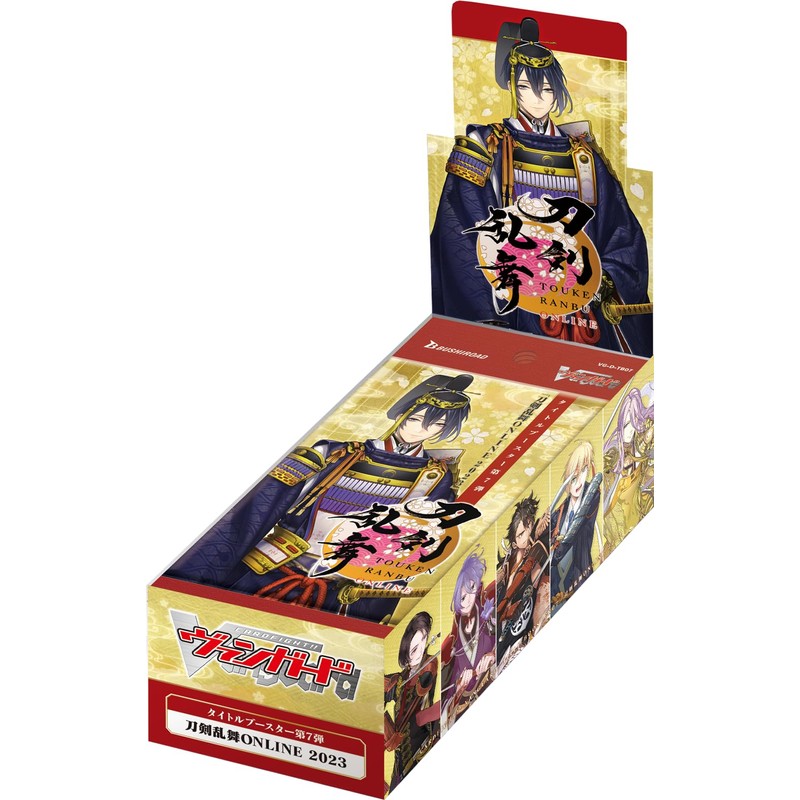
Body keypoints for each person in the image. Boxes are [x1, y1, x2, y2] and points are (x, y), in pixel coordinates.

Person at [167, 374, 473, 623]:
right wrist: (190, 577)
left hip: (346, 591)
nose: (421, 430)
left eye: (436, 425)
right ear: (402, 414)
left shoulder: (435, 476)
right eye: (416, 418)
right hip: (274, 568)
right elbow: (253, 514)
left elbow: (419, 543)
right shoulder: (331, 453)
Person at [431, 16, 652, 356]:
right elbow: (460, 227)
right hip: (515, 295)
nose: (538, 99)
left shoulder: (585, 156)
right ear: (512, 86)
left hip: (583, 299)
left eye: (547, 89)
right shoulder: (486, 146)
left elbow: (621, 231)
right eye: (526, 87)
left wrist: (603, 279)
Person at [543, 441, 602, 610]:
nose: (579, 482)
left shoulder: (592, 496)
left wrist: (554, 555)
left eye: (584, 471)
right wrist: (542, 524)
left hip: (578, 577)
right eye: (574, 477)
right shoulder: (560, 511)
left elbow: (574, 529)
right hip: (555, 587)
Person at [384, 612, 440, 791]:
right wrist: (388, 732)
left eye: (423, 640)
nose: (421, 649)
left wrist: (422, 718)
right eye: (414, 648)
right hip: (401, 752)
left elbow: (424, 687)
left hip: (423, 739)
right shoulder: (398, 680)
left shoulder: (429, 664)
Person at [440, 551, 495, 729]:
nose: (467, 600)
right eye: (462, 597)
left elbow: (502, 633)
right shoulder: (457, 634)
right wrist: (459, 686)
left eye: (472, 588)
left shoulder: (487, 611)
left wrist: (493, 654)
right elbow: (454, 675)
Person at [496, 493, 549, 669]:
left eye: (528, 527)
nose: (525, 536)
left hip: (521, 617)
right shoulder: (509, 564)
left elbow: (534, 577)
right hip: (502, 622)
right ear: (514, 540)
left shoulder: (537, 547)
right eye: (520, 535)